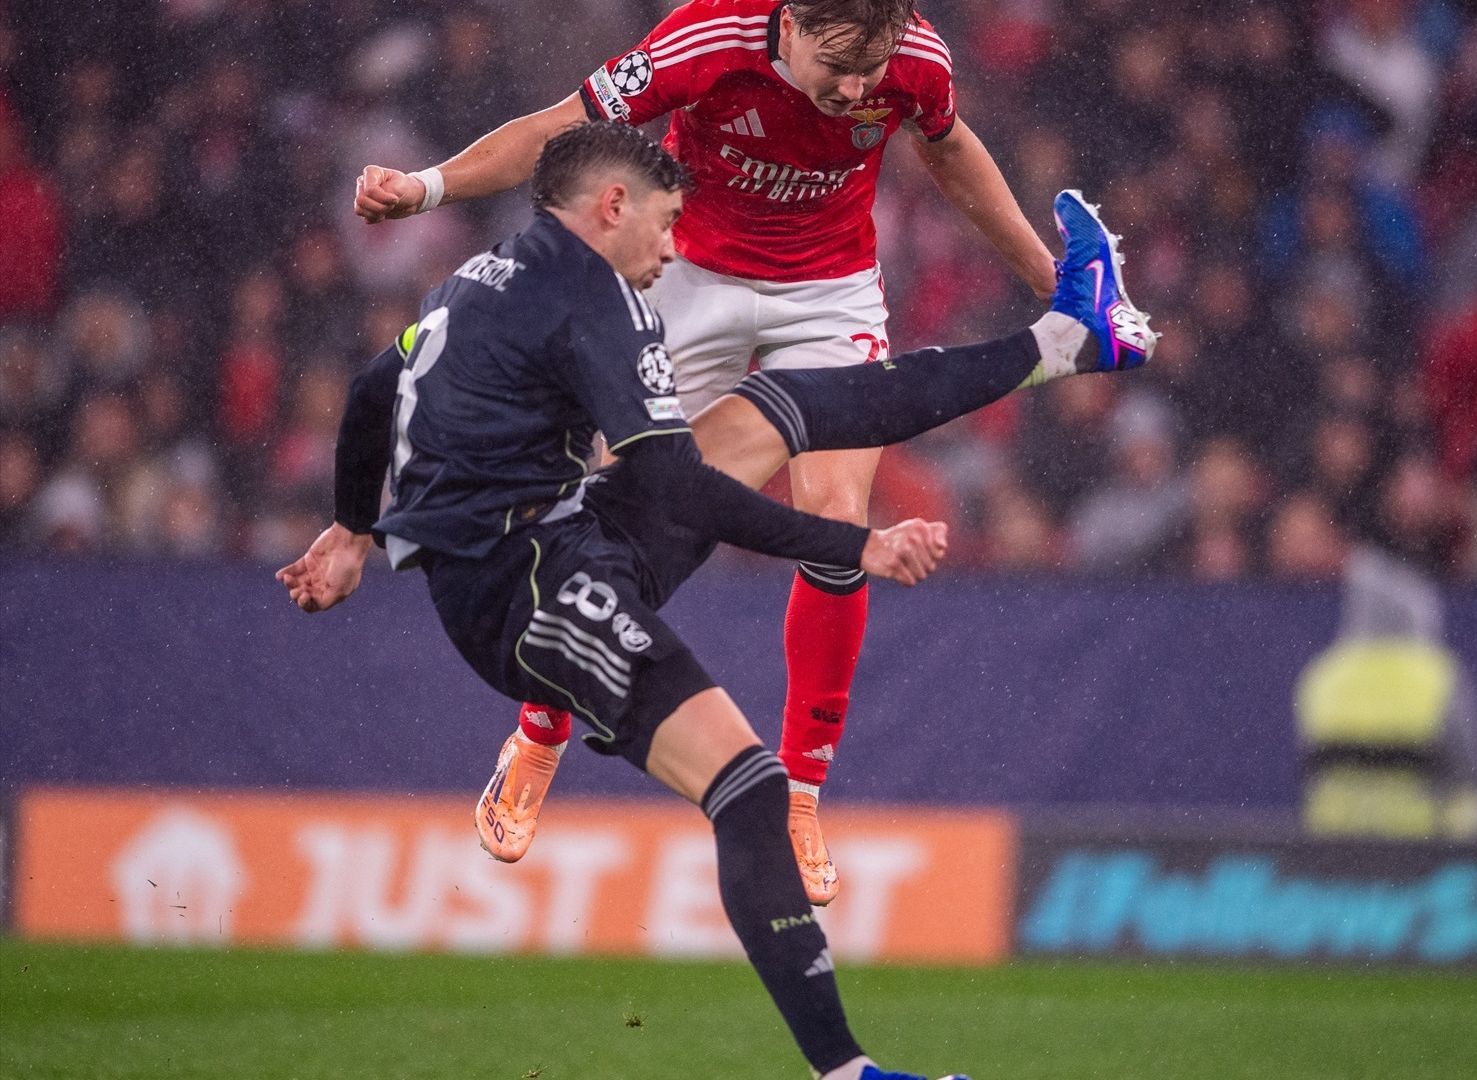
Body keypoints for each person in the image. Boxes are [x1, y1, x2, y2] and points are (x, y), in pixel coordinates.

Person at [279, 120, 1151, 1080]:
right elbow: (681, 495)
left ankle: (1070, 338)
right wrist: (853, 543)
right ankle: (846, 1071)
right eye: (664, 226)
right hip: (531, 593)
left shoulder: (480, 279)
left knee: (788, 405)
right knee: (751, 788)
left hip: (556, 542)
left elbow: (373, 388)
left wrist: (354, 530)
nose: (671, 249)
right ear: (612, 207)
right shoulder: (593, 306)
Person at [351, 0, 1058, 906]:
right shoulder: (709, 37)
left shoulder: (914, 56)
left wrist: (1044, 273)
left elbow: (950, 150)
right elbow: (562, 132)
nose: (852, 94)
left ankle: (801, 794)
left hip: (828, 292)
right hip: (690, 276)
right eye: (833, 67)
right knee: (627, 507)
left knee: (836, 518)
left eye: (867, 75)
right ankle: (540, 726)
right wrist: (429, 187)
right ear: (791, 22)